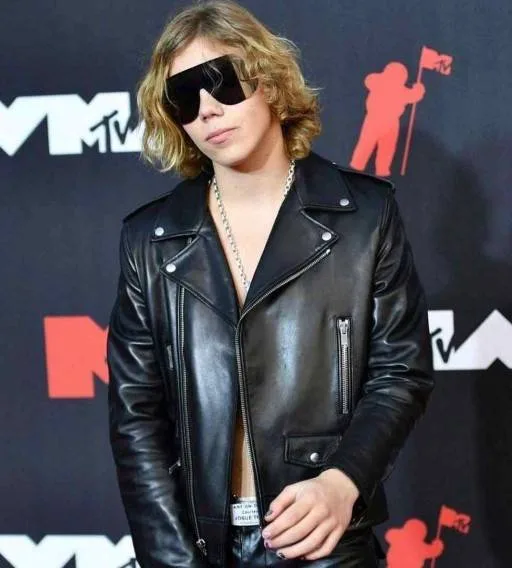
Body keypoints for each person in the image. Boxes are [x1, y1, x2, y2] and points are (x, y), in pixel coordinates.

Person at [106, 1, 434, 566]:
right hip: (194, 545)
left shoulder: (364, 216)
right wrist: (171, 558)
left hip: (323, 540)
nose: (208, 109)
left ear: (270, 80)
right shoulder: (149, 240)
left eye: (221, 81)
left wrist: (342, 482)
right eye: (184, 97)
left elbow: (400, 372)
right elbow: (135, 415)